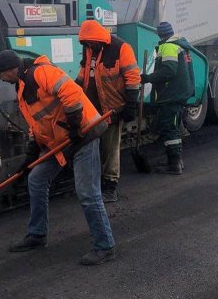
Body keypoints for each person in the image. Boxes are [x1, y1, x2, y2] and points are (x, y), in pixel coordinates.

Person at [0, 49, 116, 266]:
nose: (2, 79)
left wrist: (74, 124)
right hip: (62, 141)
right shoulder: (22, 87)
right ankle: (37, 235)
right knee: (36, 178)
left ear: (11, 69)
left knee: (87, 192)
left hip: (83, 134)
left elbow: (70, 92)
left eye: (2, 74)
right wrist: (30, 159)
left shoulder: (42, 72)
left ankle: (105, 246)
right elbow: (37, 125)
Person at [76, 20, 141, 202]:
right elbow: (84, 71)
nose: (88, 46)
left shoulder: (121, 48)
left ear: (98, 40)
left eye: (90, 43)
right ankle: (96, 181)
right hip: (92, 108)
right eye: (86, 43)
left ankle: (110, 186)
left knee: (110, 148)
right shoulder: (89, 49)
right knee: (94, 146)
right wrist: (74, 89)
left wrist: (130, 105)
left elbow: (132, 77)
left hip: (112, 108)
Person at [140, 21, 192, 175]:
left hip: (171, 94)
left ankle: (174, 165)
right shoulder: (180, 45)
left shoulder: (169, 46)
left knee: (169, 128)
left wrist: (148, 78)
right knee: (173, 127)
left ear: (160, 34)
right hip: (178, 93)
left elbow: (169, 71)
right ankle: (176, 161)